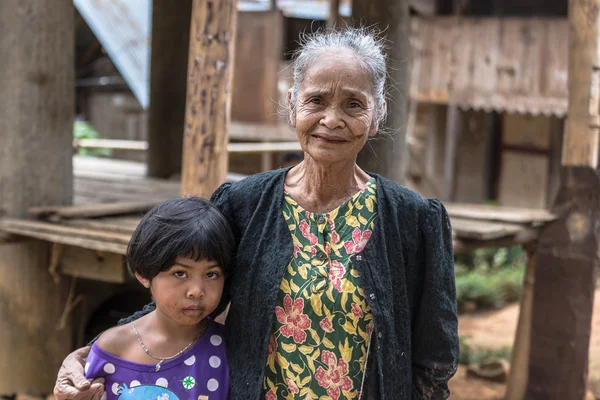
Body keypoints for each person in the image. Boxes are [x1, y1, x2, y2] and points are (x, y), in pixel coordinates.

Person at [54, 27, 459, 400]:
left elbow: (435, 360)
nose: (332, 119)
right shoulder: (243, 205)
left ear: (377, 116)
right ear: (292, 104)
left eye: (354, 104)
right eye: (316, 100)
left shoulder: (413, 220)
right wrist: (92, 352)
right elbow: (183, 300)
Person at [81, 197, 234, 400]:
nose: (197, 291)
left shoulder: (227, 350)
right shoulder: (113, 349)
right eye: (180, 273)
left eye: (211, 274)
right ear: (143, 274)